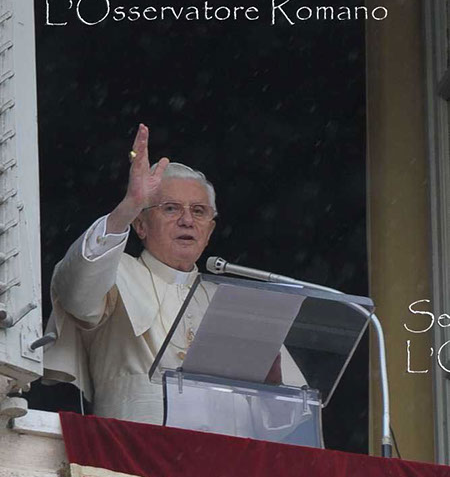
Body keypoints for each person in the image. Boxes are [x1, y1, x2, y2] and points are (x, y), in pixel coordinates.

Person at [44, 124, 305, 424]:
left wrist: (272, 390)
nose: (187, 220)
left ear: (210, 231)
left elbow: (291, 418)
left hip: (225, 454)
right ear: (140, 225)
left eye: (199, 211)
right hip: (133, 449)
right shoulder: (115, 272)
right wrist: (129, 206)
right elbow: (76, 290)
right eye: (170, 208)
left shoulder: (236, 305)